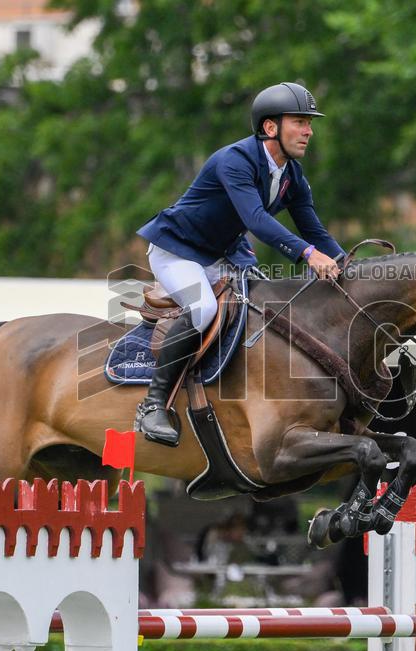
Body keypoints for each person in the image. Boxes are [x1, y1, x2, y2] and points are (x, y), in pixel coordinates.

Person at [135, 82, 345, 446]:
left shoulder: (292, 176)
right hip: (177, 250)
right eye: (300, 122)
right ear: (270, 127)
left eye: (309, 123)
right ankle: (153, 404)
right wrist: (308, 255)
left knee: (263, 305)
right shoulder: (235, 160)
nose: (309, 131)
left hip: (221, 255)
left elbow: (314, 230)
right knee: (203, 309)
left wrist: (349, 267)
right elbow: (256, 220)